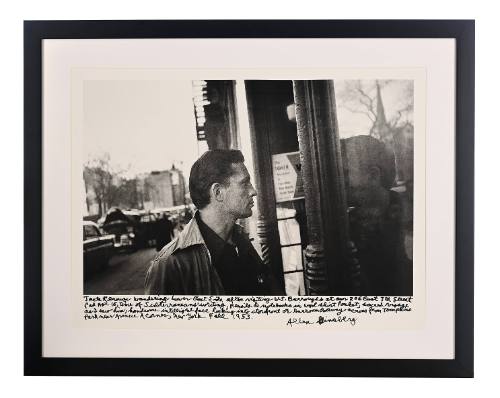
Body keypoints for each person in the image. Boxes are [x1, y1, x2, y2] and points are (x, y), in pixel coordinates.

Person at [145, 149, 281, 295]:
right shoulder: (169, 265)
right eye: (245, 183)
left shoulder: (241, 241)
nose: (253, 191)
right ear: (218, 193)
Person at [341, 135, 413, 296]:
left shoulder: (414, 225)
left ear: (373, 175)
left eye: (346, 173)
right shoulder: (347, 226)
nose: (340, 182)